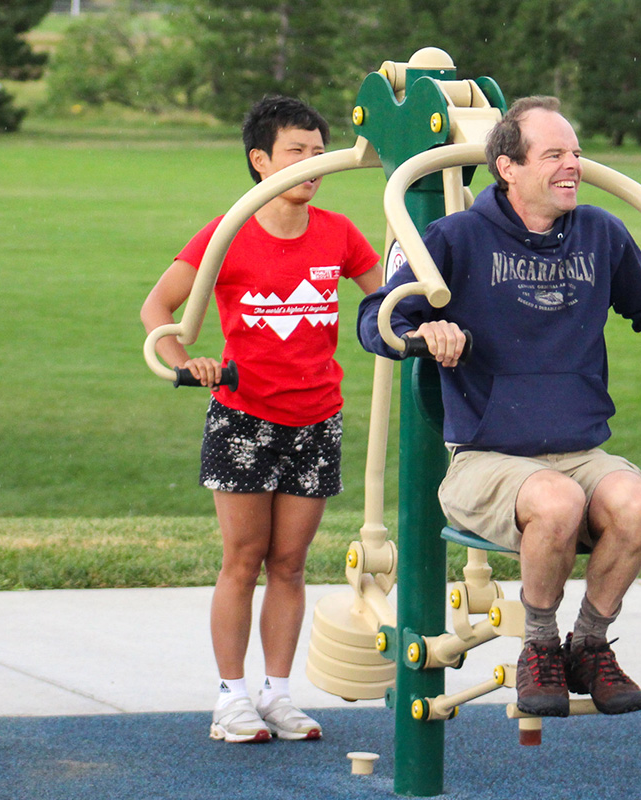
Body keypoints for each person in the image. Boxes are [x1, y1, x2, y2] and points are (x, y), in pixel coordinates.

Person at [356, 96, 641, 718]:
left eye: (576, 153)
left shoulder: (600, 233)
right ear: (508, 167)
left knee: (634, 502)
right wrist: (427, 334)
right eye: (554, 154)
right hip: (486, 459)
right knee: (556, 498)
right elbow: (376, 321)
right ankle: (539, 646)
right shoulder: (455, 238)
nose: (573, 165)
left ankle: (589, 642)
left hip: (577, 450)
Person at [140, 95, 383, 743]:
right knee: (242, 560)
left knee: (291, 563)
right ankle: (232, 698)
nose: (312, 164)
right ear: (260, 160)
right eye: (296, 152)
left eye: (318, 151)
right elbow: (158, 309)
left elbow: (389, 296)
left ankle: (277, 695)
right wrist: (183, 360)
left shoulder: (338, 233)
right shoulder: (228, 233)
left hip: (317, 420)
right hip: (243, 419)